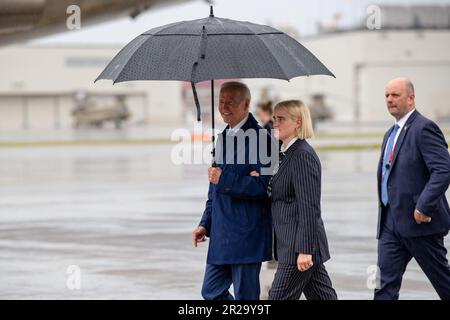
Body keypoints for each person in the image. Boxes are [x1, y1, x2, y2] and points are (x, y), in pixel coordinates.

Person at [192, 81, 272, 300]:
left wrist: (225, 178)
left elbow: (265, 188)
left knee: (246, 298)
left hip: (246, 234)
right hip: (221, 234)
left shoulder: (263, 139)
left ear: (246, 104)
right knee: (211, 292)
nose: (224, 107)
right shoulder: (222, 138)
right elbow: (213, 192)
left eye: (231, 102)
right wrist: (204, 223)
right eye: (221, 101)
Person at [375, 77, 450, 300]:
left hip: (420, 223)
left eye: (395, 95)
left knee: (443, 282)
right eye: (387, 95)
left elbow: (443, 170)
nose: (389, 100)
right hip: (390, 223)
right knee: (383, 286)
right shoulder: (390, 133)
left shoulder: (424, 128)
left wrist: (424, 207)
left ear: (411, 98)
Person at [262, 99, 337, 300]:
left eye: (281, 119)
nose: (275, 124)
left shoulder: (302, 155)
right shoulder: (284, 154)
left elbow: (310, 207)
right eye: (274, 119)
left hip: (298, 248)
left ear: (298, 122)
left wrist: (305, 250)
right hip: (291, 244)